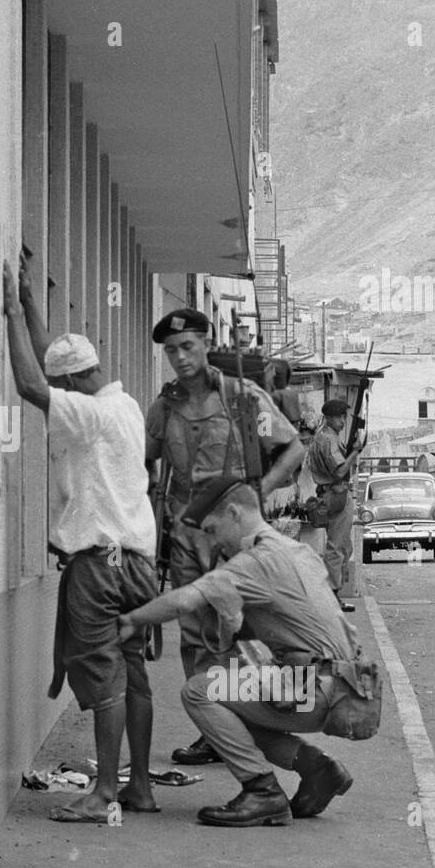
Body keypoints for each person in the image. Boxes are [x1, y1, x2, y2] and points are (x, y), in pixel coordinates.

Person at [3, 252, 157, 823]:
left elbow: (29, 380)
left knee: (104, 675)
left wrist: (12, 314)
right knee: (134, 672)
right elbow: (52, 367)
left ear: (73, 383)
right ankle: (139, 785)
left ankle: (105, 795)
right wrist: (34, 304)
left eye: (61, 384)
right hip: (138, 562)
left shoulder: (89, 415)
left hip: (100, 566)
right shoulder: (125, 405)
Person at [117, 479, 360, 827]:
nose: (213, 541)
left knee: (200, 691)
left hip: (316, 686)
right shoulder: (293, 550)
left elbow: (184, 598)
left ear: (234, 513)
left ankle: (262, 791)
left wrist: (131, 620)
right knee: (234, 709)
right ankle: (319, 770)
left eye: (213, 530)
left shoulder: (253, 561)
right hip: (347, 685)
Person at [146, 311, 305, 767]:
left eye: (187, 347)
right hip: (185, 537)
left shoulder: (241, 399)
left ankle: (250, 723)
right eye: (171, 351)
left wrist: (261, 489)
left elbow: (292, 448)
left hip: (233, 539)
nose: (180, 357)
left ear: (205, 344)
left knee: (241, 630)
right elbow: (145, 459)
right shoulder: (166, 407)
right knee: (195, 636)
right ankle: (214, 731)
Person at [305, 398, 366, 611]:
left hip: (334, 493)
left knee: (343, 546)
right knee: (336, 547)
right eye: (339, 417)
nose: (342, 421)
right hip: (336, 492)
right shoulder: (327, 439)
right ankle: (331, 596)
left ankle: (332, 592)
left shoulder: (325, 438)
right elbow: (340, 471)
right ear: (329, 418)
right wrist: (355, 452)